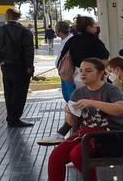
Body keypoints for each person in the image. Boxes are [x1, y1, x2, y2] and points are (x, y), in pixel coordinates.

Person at [42, 58, 123, 181]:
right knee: (56, 156)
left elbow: (122, 109)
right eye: (81, 70)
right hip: (85, 133)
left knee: (77, 154)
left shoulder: (110, 90)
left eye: (88, 71)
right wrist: (69, 112)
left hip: (108, 134)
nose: (83, 74)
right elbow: (72, 122)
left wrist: (93, 103)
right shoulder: (78, 92)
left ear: (101, 73)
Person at [41, 16, 109, 145]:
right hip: (94, 76)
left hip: (77, 75)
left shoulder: (72, 40)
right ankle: (83, 130)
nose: (96, 27)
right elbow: (105, 58)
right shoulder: (95, 41)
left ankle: (68, 132)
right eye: (94, 25)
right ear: (89, 27)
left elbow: (62, 58)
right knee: (91, 102)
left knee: (78, 102)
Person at [0, 8, 35, 128]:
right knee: (19, 93)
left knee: (8, 93)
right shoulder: (24, 32)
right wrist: (29, 66)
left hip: (6, 66)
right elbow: (29, 51)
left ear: (6, 17)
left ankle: (10, 117)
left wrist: (0, 61)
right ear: (18, 16)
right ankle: (15, 118)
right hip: (20, 67)